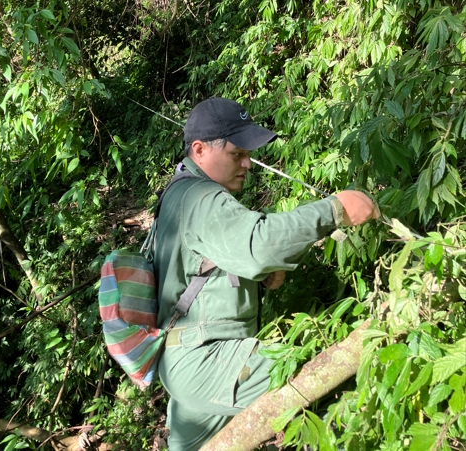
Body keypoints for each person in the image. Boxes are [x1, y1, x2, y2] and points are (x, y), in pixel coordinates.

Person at [154, 97, 379, 450]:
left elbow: (197, 266)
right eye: (236, 153)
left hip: (185, 363)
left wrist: (253, 278)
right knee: (316, 377)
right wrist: (335, 209)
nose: (248, 163)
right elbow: (260, 246)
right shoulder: (201, 198)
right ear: (199, 150)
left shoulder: (178, 194)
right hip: (207, 359)